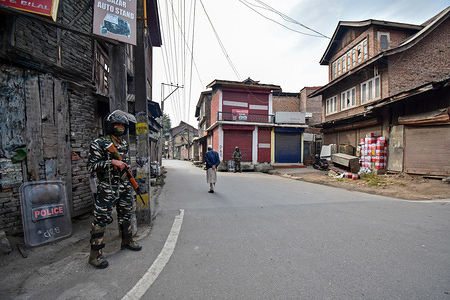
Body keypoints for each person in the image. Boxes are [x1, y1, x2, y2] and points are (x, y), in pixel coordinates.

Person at [87, 110, 142, 269]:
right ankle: (95, 255)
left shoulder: (124, 144)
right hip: (107, 187)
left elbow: (125, 165)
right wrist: (111, 163)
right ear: (110, 126)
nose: (120, 127)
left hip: (124, 185)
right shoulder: (99, 143)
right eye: (116, 124)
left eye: (123, 125)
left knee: (126, 214)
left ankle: (127, 240)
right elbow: (91, 167)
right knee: (101, 219)